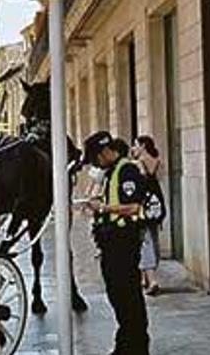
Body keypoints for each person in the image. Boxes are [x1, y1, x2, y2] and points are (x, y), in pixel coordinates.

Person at [83, 131, 150, 355]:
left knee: (128, 295)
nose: (95, 163)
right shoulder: (111, 172)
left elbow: (133, 206)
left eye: (95, 158)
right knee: (117, 295)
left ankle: (137, 346)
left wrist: (103, 208)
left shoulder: (127, 170)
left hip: (124, 242)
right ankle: (125, 344)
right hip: (111, 243)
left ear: (104, 152)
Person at [133, 135, 166, 295]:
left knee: (145, 241)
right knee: (153, 237)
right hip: (157, 201)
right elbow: (159, 179)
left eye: (136, 145)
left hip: (144, 204)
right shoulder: (158, 160)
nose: (134, 148)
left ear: (143, 146)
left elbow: (140, 183)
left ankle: (151, 279)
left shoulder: (139, 162)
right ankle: (145, 278)